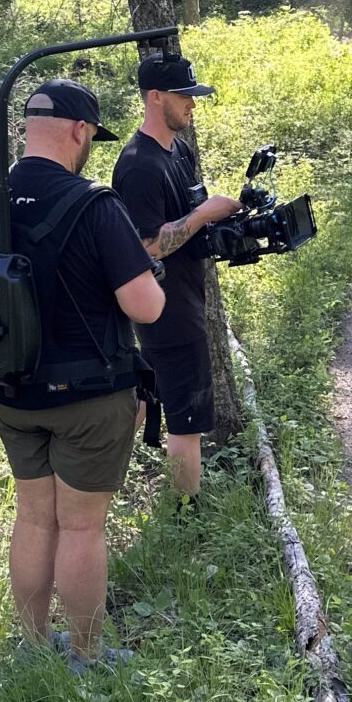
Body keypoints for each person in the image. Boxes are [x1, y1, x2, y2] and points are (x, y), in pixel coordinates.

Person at [0, 78, 165, 666]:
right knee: (84, 528)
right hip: (90, 400)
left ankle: (35, 647)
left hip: (12, 396)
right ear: (78, 130)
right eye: (91, 134)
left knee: (35, 519)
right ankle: (87, 657)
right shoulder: (96, 204)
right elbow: (145, 306)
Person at [111, 54, 239, 502]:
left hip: (186, 299)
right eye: (185, 97)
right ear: (155, 97)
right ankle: (186, 516)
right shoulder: (137, 166)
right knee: (187, 421)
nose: (192, 105)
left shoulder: (178, 150)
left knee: (153, 402)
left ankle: (112, 481)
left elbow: (186, 218)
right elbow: (144, 246)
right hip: (164, 311)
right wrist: (205, 214)